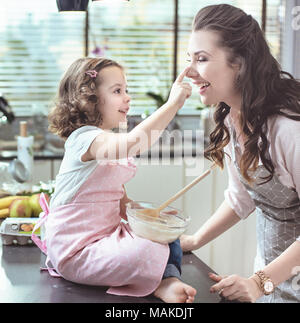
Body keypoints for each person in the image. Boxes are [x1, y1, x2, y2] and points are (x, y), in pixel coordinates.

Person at [33, 57, 197, 303]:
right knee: (146, 251)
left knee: (166, 236)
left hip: (106, 238)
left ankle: (167, 279)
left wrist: (146, 216)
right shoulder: (85, 139)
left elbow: (118, 198)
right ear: (89, 99)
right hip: (76, 250)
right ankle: (159, 281)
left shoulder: (104, 141)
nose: (127, 97)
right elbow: (132, 143)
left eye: (126, 90)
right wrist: (171, 105)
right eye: (117, 91)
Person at [180, 4, 300, 303]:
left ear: (240, 63)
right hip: (273, 283)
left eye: (202, 59)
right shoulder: (233, 117)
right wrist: (196, 240)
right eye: (189, 59)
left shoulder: (287, 128)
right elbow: (242, 197)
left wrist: (260, 283)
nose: (189, 72)